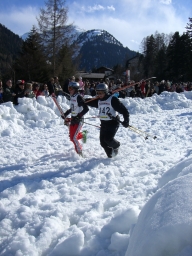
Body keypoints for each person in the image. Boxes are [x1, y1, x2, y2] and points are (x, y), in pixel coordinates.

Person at [86, 83, 129, 158]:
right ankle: (111, 155)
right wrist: (82, 101)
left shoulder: (112, 100)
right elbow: (88, 102)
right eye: (97, 92)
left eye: (101, 92)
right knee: (103, 143)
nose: (99, 95)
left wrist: (126, 121)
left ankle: (116, 145)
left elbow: (124, 111)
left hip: (113, 123)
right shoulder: (98, 101)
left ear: (105, 92)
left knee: (108, 139)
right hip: (104, 124)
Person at [62, 82, 89, 156]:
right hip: (73, 119)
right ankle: (83, 134)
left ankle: (80, 153)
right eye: (69, 88)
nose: (69, 90)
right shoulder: (72, 97)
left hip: (79, 120)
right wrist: (66, 114)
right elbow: (73, 108)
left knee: (74, 138)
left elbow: (86, 109)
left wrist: (79, 116)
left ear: (76, 89)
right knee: (71, 137)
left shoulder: (79, 97)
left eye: (71, 88)